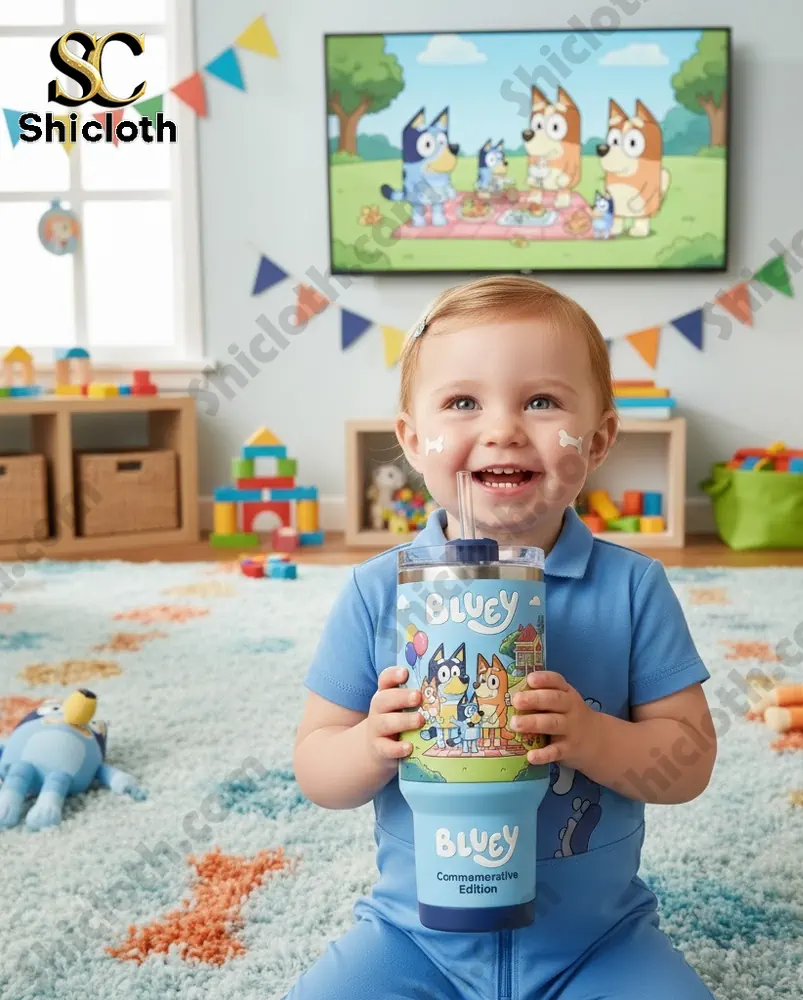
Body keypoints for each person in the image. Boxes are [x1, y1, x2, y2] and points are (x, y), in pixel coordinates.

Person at [286, 276, 717, 999]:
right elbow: (314, 765)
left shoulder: (632, 588)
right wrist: (369, 745)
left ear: (601, 438)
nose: (503, 429)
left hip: (595, 942)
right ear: (412, 440)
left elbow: (691, 760)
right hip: (413, 936)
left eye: (542, 401)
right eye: (462, 403)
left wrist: (594, 736)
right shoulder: (376, 590)